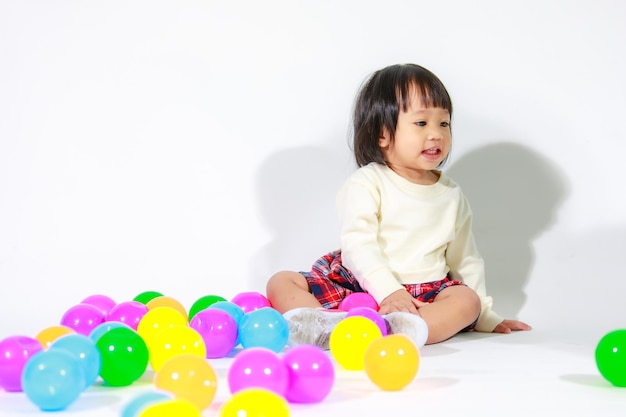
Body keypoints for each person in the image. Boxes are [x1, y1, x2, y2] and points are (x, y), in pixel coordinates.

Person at [265, 63, 531, 349]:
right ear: (382, 134)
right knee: (281, 281)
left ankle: (402, 330)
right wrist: (388, 291)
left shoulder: (451, 195)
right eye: (421, 123)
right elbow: (358, 245)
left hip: (424, 296)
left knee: (466, 301)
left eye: (443, 123)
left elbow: (465, 258)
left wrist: (484, 314)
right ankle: (323, 323)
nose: (436, 134)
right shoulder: (367, 183)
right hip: (360, 283)